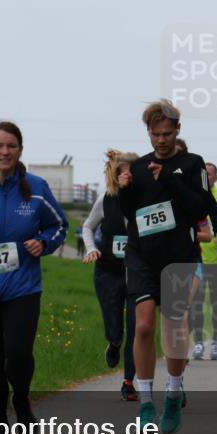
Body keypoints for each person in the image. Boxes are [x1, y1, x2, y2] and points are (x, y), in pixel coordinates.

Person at [0, 121, 68, 434]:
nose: (4, 152)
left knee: (18, 354)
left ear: (20, 150)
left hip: (23, 288)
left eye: (11, 146)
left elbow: (59, 226)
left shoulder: (36, 187)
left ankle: (21, 400)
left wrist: (43, 242)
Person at [119, 100, 209, 434]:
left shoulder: (192, 163)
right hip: (142, 254)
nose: (161, 140)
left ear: (178, 131)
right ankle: (145, 402)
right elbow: (131, 213)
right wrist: (124, 190)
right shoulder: (139, 167)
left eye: (167, 134)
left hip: (178, 256)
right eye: (155, 134)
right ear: (148, 133)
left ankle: (173, 393)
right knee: (143, 327)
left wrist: (171, 180)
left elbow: (199, 205)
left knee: (173, 328)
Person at [83, 150, 140, 401]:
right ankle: (114, 342)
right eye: (122, 171)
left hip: (138, 273)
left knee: (136, 329)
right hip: (108, 271)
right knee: (115, 326)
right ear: (115, 176)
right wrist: (91, 249)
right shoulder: (106, 199)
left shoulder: (144, 199)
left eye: (131, 171)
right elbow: (87, 226)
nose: (127, 175)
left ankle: (128, 381)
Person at [191, 162, 217, 360]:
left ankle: (216, 342)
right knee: (196, 303)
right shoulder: (193, 194)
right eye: (203, 174)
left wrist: (215, 219)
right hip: (197, 258)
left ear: (216, 177)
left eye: (209, 174)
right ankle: (198, 342)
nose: (206, 177)